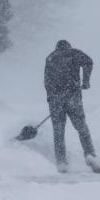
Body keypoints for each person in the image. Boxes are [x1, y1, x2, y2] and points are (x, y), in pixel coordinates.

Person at [44, 40, 100, 173]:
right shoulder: (74, 53)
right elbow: (88, 62)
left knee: (58, 132)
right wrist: (85, 81)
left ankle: (61, 162)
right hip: (72, 98)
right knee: (81, 128)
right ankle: (90, 155)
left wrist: (52, 98)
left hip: (57, 101)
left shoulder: (51, 57)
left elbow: (47, 80)